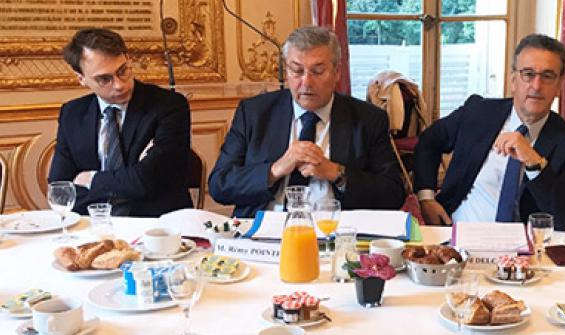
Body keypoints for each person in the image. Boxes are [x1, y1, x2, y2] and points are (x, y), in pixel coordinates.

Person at [208, 26, 405, 218]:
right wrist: (274, 170)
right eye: (297, 71)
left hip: (336, 233)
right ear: (286, 71)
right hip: (266, 232)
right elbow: (220, 185)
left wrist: (337, 173)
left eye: (318, 72)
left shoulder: (367, 119)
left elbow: (393, 194)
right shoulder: (254, 113)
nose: (306, 82)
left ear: (337, 73)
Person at [413, 33, 565, 230]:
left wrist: (534, 162)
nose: (537, 86)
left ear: (559, 86)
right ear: (513, 80)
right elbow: (429, 141)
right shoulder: (478, 112)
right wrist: (426, 198)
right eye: (528, 74)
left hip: (523, 249)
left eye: (548, 76)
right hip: (458, 234)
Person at [49, 28, 192, 217]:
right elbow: (60, 191)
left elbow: (148, 181)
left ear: (128, 58)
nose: (119, 85)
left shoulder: (168, 106)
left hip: (156, 226)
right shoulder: (72, 114)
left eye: (122, 71)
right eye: (104, 79)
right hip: (93, 226)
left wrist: (91, 179)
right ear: (81, 79)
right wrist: (130, 178)